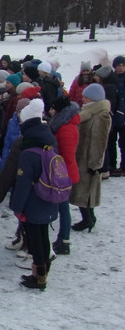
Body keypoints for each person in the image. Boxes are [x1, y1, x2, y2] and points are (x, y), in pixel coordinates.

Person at [9, 101, 58, 290]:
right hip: (48, 195)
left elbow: (23, 184)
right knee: (43, 235)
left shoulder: (28, 151)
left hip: (33, 200)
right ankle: (44, 270)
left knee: (34, 239)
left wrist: (17, 207)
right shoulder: (49, 142)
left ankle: (38, 277)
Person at [69, 83, 112, 232]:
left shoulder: (101, 115)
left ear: (93, 98)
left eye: (85, 97)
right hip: (82, 157)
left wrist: (95, 164)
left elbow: (99, 142)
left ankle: (87, 219)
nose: (82, 99)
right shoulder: (89, 112)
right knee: (84, 190)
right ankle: (89, 218)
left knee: (85, 190)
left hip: (88, 160)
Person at [47, 94, 80, 255]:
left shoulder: (65, 128)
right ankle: (63, 238)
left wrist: (58, 172)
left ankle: (64, 240)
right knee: (62, 207)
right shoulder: (62, 124)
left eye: (52, 108)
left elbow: (66, 154)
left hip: (63, 173)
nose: (50, 111)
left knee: (63, 207)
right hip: (63, 171)